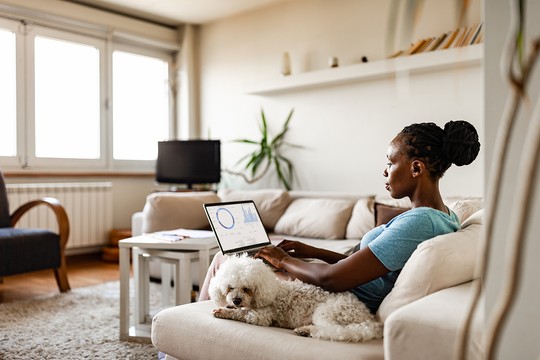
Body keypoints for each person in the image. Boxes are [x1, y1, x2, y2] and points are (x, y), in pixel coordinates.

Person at [199, 120, 480, 313]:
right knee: (245, 259)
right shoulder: (445, 216)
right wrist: (311, 251)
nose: (385, 171)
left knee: (226, 259)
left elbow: (334, 279)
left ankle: (188, 335)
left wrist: (282, 259)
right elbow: (365, 266)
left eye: (391, 162)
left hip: (338, 297)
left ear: (416, 168)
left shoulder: (420, 222)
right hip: (347, 287)